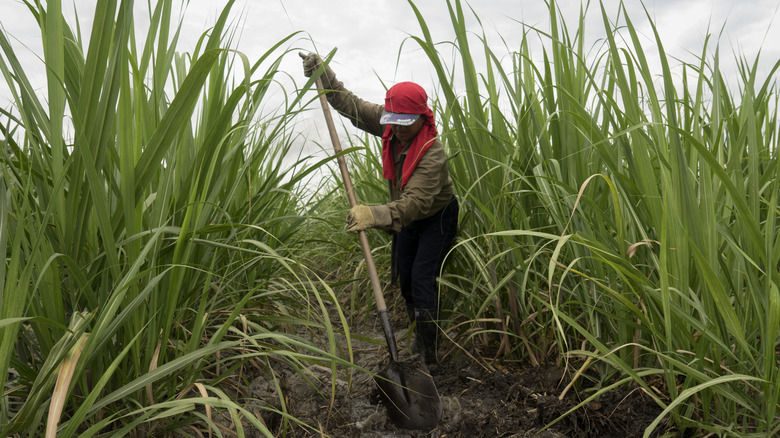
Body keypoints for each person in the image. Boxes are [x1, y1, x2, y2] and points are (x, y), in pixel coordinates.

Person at [300, 52, 459, 365]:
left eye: (404, 123)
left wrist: (372, 214)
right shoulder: (393, 120)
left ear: (419, 117)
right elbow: (352, 105)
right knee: (405, 280)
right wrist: (324, 74)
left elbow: (414, 204)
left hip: (434, 217)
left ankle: (429, 357)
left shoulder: (432, 154)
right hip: (405, 215)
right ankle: (418, 333)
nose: (397, 128)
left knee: (422, 278)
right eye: (393, 121)